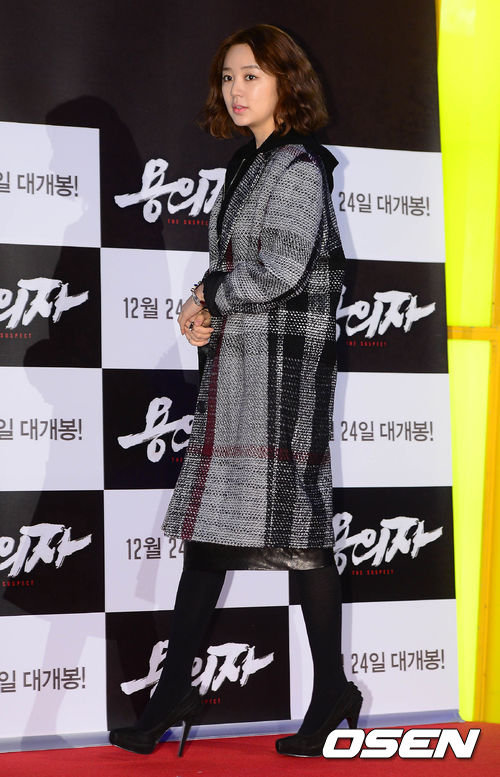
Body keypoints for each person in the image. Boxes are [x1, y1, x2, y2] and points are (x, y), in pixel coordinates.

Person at [110, 23, 362, 759]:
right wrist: (202, 304)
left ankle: (329, 691)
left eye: (251, 75)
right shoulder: (249, 163)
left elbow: (279, 270)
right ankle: (172, 697)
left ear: (286, 82)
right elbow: (233, 265)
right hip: (239, 367)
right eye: (228, 77)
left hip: (283, 375)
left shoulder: (300, 165)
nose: (236, 89)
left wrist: (210, 295)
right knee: (210, 534)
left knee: (301, 533)